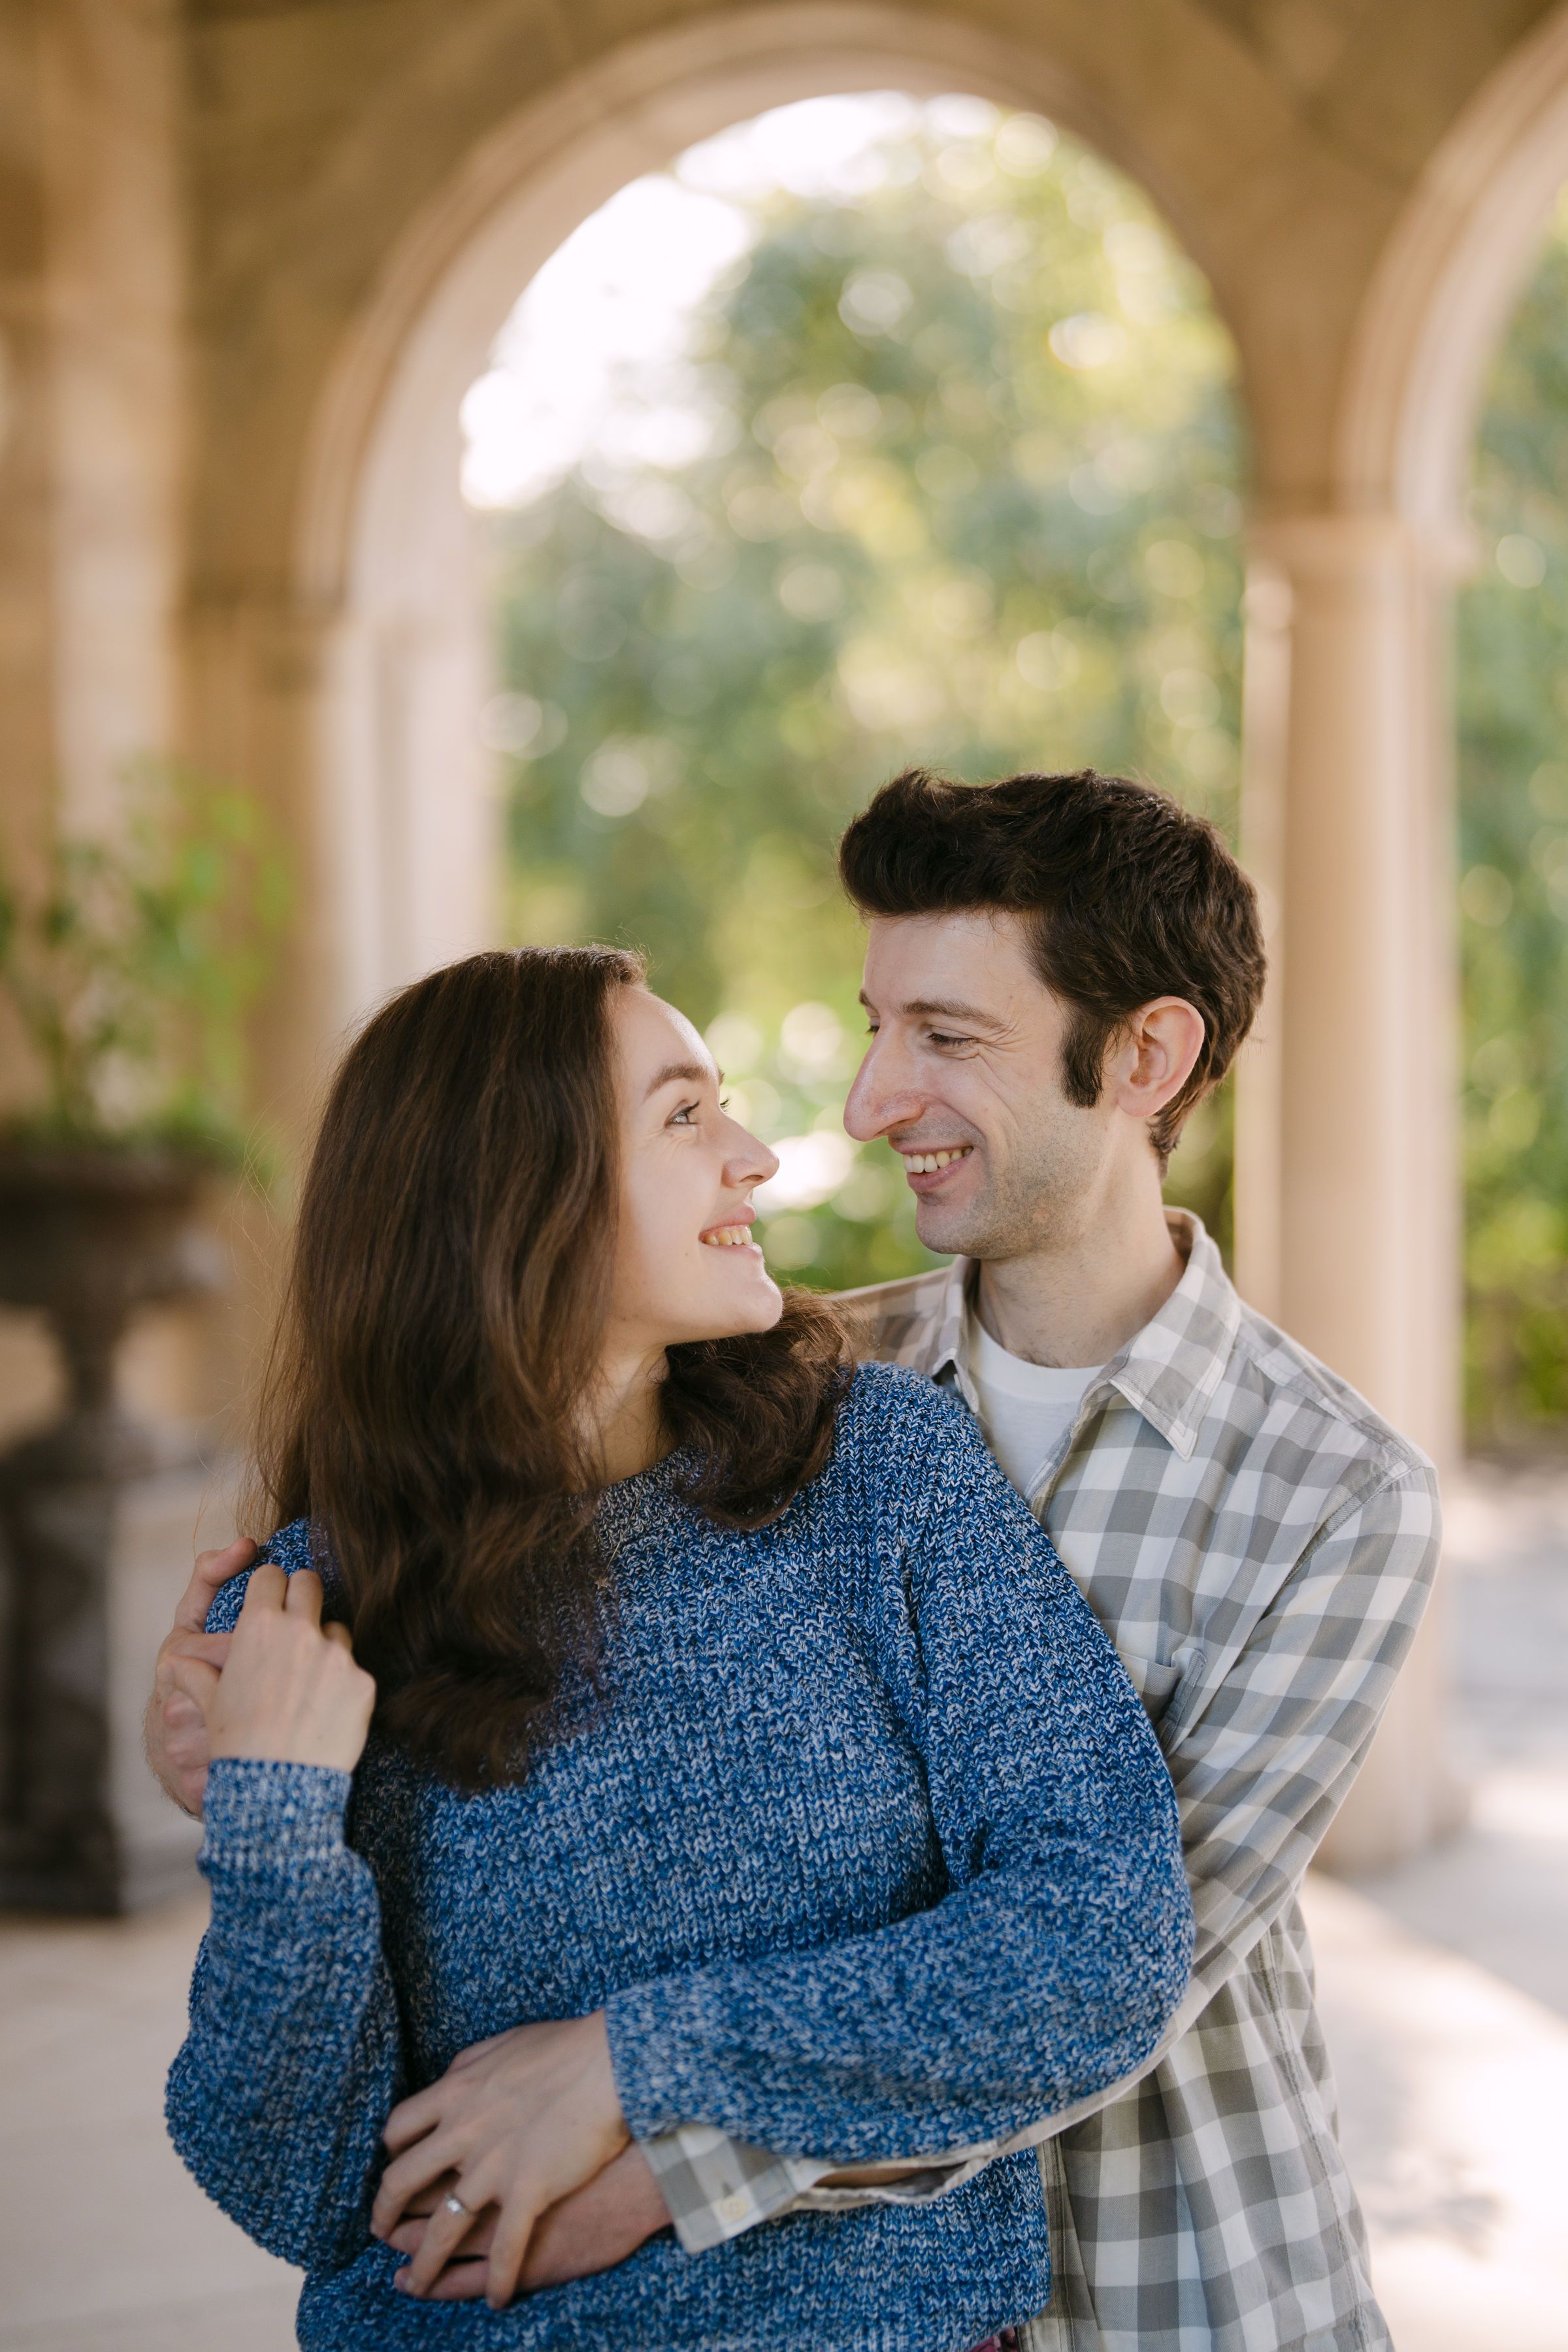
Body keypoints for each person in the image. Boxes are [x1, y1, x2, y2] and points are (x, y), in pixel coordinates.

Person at [150, 765, 1441, 2352]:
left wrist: (645, 2119)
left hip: (1168, 2273)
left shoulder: (1317, 1491)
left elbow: (1119, 1958)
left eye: (946, 1038)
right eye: (873, 1027)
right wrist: (267, 1805)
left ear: (1147, 1054)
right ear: (509, 1201)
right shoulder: (836, 1379)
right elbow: (303, 2171)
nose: (846, 1115)